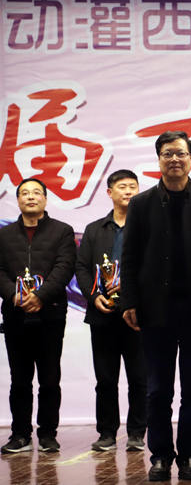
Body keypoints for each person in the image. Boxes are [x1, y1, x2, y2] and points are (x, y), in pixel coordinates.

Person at [120, 131, 191, 481]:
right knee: (158, 391)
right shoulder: (141, 204)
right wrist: (129, 300)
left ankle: (189, 457)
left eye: (180, 153)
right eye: (167, 153)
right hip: (156, 310)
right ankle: (160, 456)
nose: (174, 159)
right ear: (159, 159)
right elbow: (130, 257)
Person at [0, 178, 76, 454]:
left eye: (36, 193)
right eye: (25, 193)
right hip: (15, 315)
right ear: (18, 200)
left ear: (45, 198)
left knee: (49, 378)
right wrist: (14, 295)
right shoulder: (4, 235)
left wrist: (40, 296)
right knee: (19, 378)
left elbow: (65, 267)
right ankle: (20, 435)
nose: (30, 197)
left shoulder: (62, 231)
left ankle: (47, 435)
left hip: (50, 315)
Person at [76, 170, 147, 453]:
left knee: (139, 379)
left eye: (133, 187)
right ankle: (106, 433)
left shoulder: (147, 227)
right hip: (102, 314)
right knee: (105, 379)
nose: (128, 191)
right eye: (122, 187)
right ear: (110, 193)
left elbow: (155, 267)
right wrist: (93, 297)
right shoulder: (94, 229)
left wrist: (133, 293)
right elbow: (82, 268)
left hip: (138, 314)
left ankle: (137, 433)